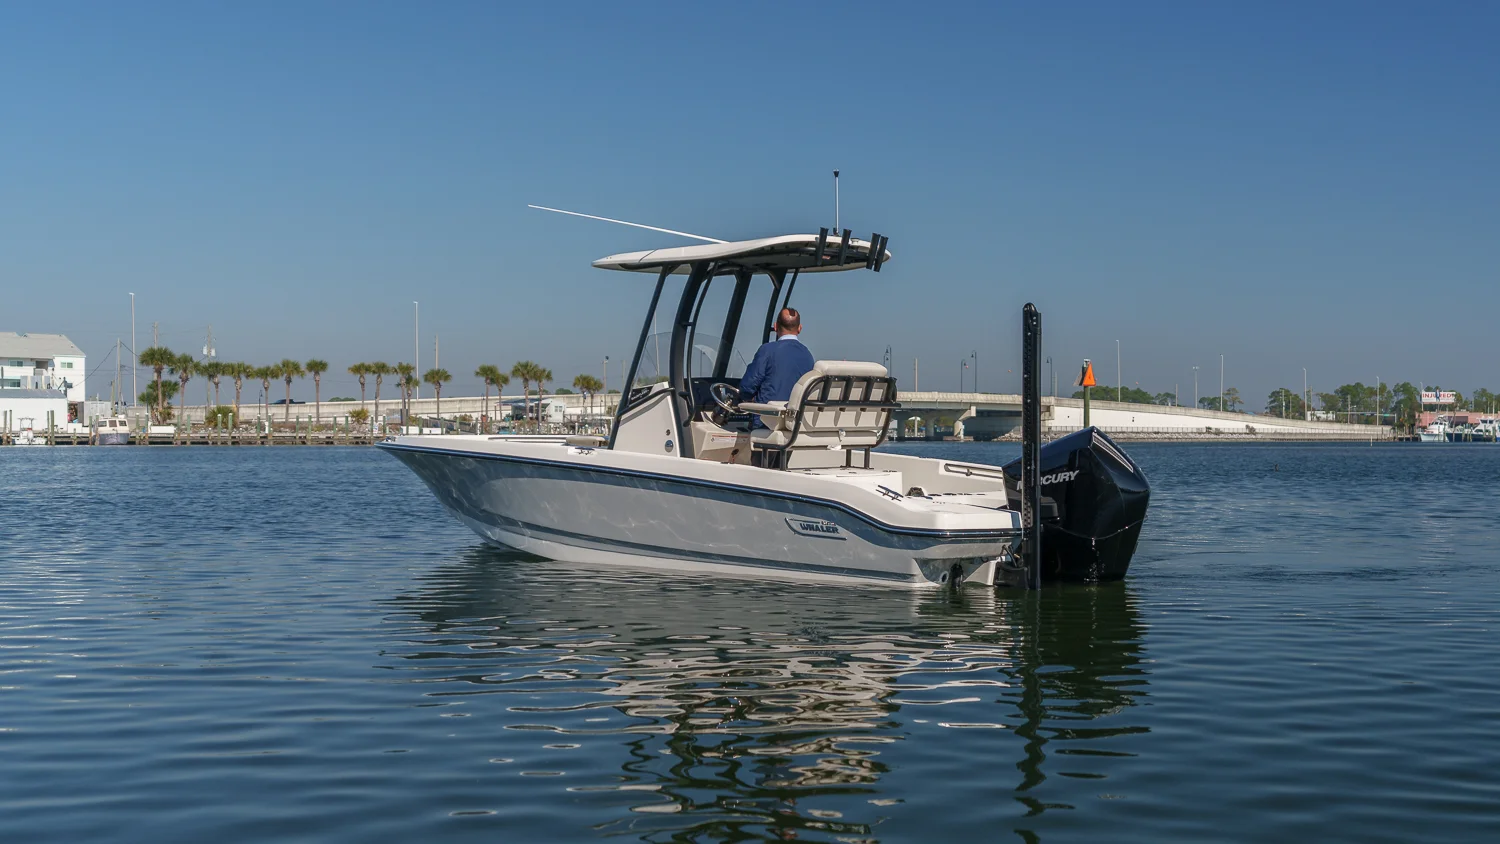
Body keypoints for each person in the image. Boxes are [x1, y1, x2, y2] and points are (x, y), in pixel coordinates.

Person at [740, 307, 815, 406]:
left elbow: (748, 387)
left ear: (775, 327)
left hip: (766, 418)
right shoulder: (808, 355)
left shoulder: (767, 351)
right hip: (795, 419)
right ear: (799, 328)